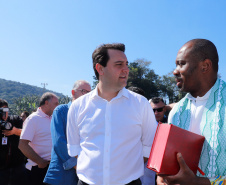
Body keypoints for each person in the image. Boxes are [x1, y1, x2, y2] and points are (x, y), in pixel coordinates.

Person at [67, 43, 157, 185]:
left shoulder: (141, 104)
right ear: (100, 68)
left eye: (127, 64)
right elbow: (75, 149)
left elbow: (149, 148)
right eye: (119, 64)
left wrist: (123, 173)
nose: (126, 70)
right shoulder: (77, 107)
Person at [157, 39, 226, 185]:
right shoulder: (177, 111)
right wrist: (163, 177)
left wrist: (199, 182)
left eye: (182, 64)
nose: (175, 71)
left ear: (205, 66)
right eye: (176, 64)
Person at [44, 80, 91, 185]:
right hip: (62, 174)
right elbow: (59, 142)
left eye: (90, 93)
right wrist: (77, 165)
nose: (88, 96)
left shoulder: (89, 115)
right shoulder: (61, 111)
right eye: (84, 91)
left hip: (84, 174)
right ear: (73, 92)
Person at [19, 92, 59, 185]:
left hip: (52, 168)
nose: (58, 106)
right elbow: (22, 144)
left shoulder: (54, 118)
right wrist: (39, 161)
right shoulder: (33, 119)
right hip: (37, 169)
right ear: (46, 103)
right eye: (56, 103)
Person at [0, 99, 28, 185]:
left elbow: (27, 133)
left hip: (18, 165)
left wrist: (15, 131)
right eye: (1, 111)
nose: (4, 114)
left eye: (5, 110)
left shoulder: (15, 119)